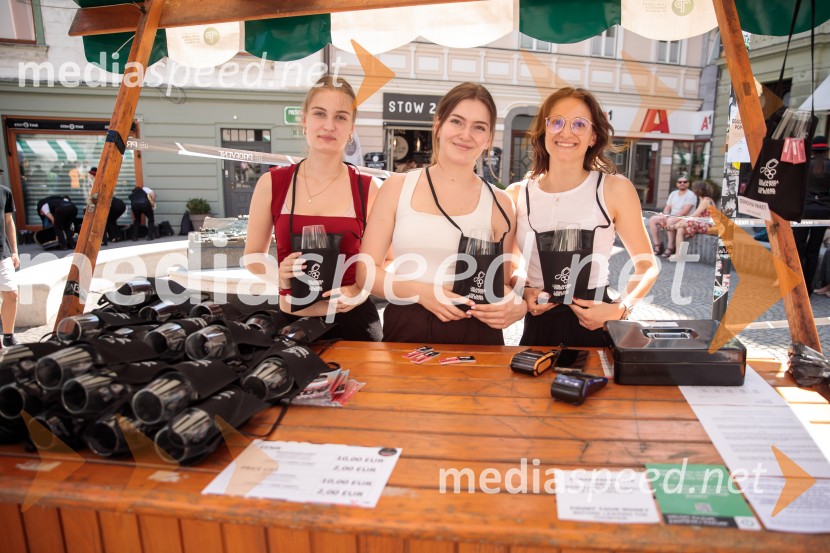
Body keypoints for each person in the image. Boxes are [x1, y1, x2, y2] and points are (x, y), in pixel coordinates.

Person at [357, 82, 525, 345]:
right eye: (457, 121)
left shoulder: (500, 203)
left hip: (477, 331)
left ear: (489, 138)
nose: (466, 135)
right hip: (408, 327)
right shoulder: (397, 187)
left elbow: (499, 283)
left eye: (479, 127)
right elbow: (365, 271)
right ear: (438, 124)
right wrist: (421, 292)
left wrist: (518, 304)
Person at [507, 87, 658, 347]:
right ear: (544, 131)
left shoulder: (614, 189)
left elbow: (647, 266)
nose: (566, 133)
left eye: (579, 124)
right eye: (556, 122)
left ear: (593, 136)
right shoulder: (517, 194)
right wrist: (524, 289)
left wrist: (621, 308)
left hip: (595, 326)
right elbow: (510, 267)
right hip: (539, 328)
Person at [244, 76, 382, 342]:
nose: (329, 125)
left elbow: (388, 261)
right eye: (320, 114)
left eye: (340, 117)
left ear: (351, 128)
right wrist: (278, 276)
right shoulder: (272, 183)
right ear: (304, 120)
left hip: (355, 325)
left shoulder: (369, 188)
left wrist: (360, 291)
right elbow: (252, 255)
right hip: (292, 323)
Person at [794, 136, 830, 294]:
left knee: (799, 248)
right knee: (814, 250)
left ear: (812, 150)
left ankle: (797, 286)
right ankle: (808, 288)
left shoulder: (804, 165)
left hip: (805, 210)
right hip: (824, 211)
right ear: (826, 151)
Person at [647, 174, 697, 258]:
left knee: (670, 221)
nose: (682, 183)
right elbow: (667, 207)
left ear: (688, 183)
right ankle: (657, 245)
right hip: (672, 216)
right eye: (680, 182)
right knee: (653, 219)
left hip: (684, 218)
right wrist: (664, 216)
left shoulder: (691, 195)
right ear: (677, 184)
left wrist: (669, 218)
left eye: (685, 182)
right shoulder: (673, 194)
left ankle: (670, 247)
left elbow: (684, 211)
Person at [666, 180, 717, 262]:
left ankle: (672, 227)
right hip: (701, 223)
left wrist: (680, 222)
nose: (693, 190)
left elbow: (695, 215)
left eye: (694, 188)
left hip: (708, 225)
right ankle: (679, 254)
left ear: (698, 189)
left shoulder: (706, 200)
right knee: (681, 230)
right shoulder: (703, 199)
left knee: (688, 221)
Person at [0, 167, 19, 347]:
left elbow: (8, 221)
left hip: (3, 253)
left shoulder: (5, 192)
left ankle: (8, 336)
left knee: (12, 294)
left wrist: (14, 251)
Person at [87, 167, 126, 245]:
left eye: (90, 174)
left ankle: (112, 238)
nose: (89, 176)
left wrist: (90, 208)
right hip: (119, 203)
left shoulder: (96, 183)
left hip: (112, 204)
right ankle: (117, 236)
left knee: (108, 220)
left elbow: (94, 196)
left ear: (93, 174)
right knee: (112, 220)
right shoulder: (103, 180)